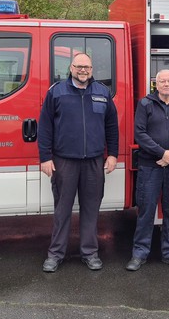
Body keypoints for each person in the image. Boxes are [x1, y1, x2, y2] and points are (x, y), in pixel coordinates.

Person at [38, 53, 119, 272]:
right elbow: (45, 126)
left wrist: (113, 154)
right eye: (79, 66)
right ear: (71, 68)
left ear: (92, 70)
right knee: (62, 210)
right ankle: (55, 254)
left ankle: (90, 253)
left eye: (87, 67)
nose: (83, 70)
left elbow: (112, 126)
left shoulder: (102, 92)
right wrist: (45, 157)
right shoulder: (56, 92)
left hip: (93, 162)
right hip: (64, 162)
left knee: (91, 210)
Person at [126, 69, 169, 272]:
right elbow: (140, 133)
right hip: (150, 166)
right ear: (156, 84)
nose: (166, 84)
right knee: (146, 210)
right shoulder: (145, 104)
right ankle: (139, 254)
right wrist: (161, 153)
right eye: (162, 81)